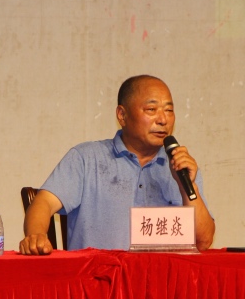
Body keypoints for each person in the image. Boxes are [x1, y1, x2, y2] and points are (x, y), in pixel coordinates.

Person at [19, 75, 215, 255]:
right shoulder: (87, 158)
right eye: (151, 110)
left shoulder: (181, 166)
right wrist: (36, 236)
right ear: (122, 115)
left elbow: (203, 242)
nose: (163, 120)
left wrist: (187, 186)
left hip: (161, 279)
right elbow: (43, 203)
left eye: (169, 111)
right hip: (98, 278)